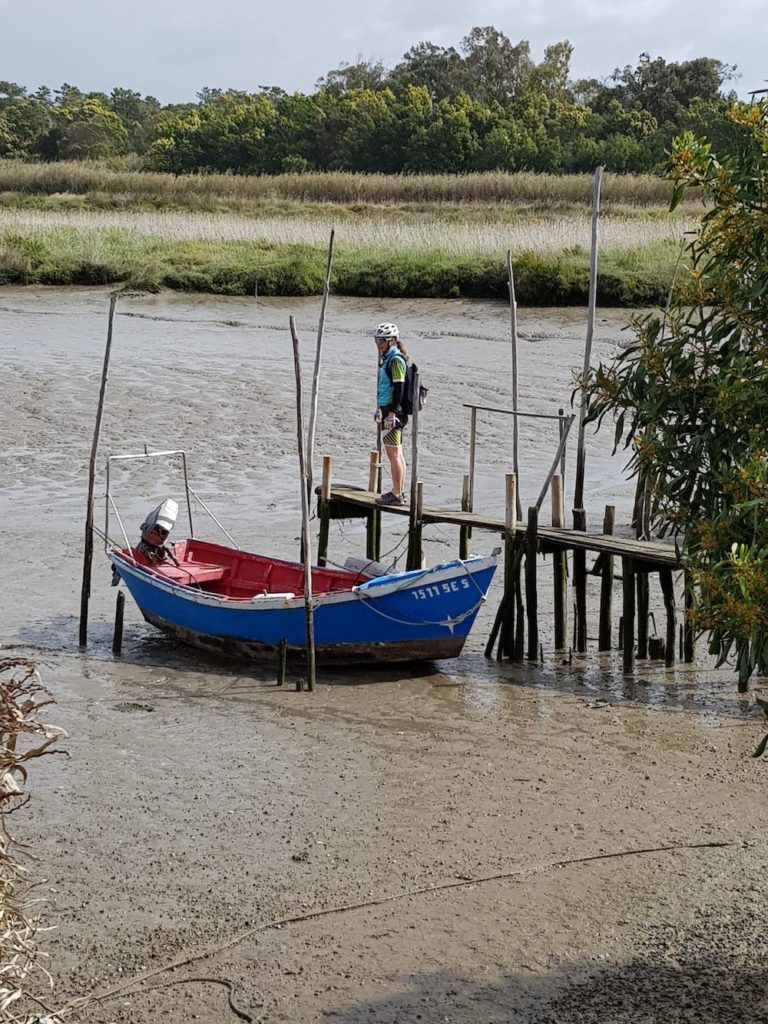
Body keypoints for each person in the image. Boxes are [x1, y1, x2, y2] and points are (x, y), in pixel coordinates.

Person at [373, 322, 409, 505]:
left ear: (392, 341)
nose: (379, 344)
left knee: (393, 454)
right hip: (388, 410)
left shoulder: (395, 360)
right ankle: (399, 492)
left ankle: (396, 493)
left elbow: (399, 387)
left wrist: (391, 413)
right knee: (397, 453)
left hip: (393, 413)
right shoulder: (389, 358)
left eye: (382, 340)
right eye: (377, 340)